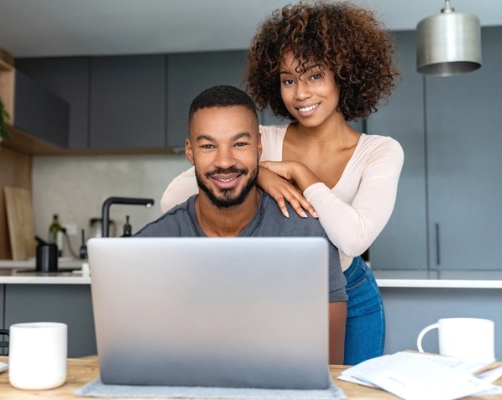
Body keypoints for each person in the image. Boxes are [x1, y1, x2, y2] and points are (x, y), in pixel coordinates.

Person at [160, 1, 404, 365]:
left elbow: (355, 237)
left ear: (345, 74)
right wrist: (263, 176)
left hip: (351, 296)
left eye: (314, 76)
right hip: (271, 294)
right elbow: (173, 198)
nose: (300, 94)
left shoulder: (379, 151)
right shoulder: (261, 140)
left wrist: (301, 175)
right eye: (288, 80)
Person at [135, 85, 348, 364]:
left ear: (259, 147)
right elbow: (139, 358)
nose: (225, 161)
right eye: (208, 146)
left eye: (240, 144)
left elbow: (329, 368)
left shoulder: (306, 233)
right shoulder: (149, 246)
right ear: (190, 152)